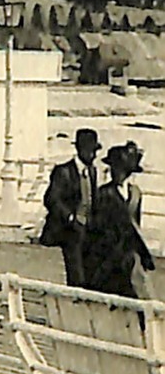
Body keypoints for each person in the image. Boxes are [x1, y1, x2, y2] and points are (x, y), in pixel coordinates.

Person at [83, 142, 154, 300]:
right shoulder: (103, 193)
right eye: (113, 168)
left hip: (129, 254)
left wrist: (142, 253)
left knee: (139, 295)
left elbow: (136, 225)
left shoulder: (135, 194)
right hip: (109, 255)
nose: (115, 172)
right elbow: (95, 227)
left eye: (119, 168)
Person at [40, 128, 102, 289]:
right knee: (76, 271)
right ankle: (76, 292)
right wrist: (70, 217)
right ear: (80, 149)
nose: (93, 155)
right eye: (90, 151)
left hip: (87, 227)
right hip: (67, 229)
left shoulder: (93, 171)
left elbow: (93, 200)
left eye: (95, 151)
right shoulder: (64, 171)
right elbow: (51, 199)